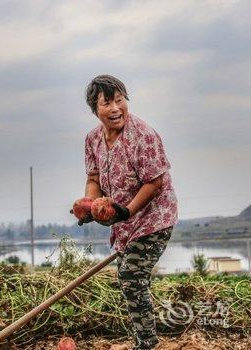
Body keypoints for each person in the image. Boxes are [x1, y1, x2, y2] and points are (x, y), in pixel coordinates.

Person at [72, 75, 178, 350]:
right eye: (107, 103)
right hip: (124, 220)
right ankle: (150, 334)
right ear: (95, 110)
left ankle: (147, 344)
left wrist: (126, 212)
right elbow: (94, 179)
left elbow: (155, 183)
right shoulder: (93, 139)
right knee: (130, 277)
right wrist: (91, 207)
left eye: (120, 100)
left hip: (155, 218)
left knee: (130, 275)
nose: (116, 108)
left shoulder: (143, 135)